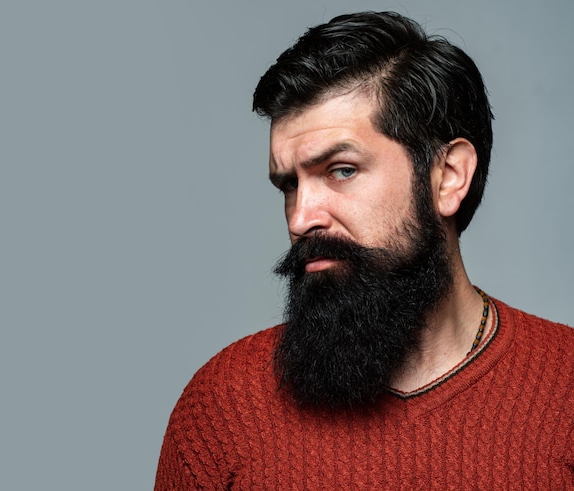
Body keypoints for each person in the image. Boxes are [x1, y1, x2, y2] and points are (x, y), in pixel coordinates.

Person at [155, 11, 574, 489]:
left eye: (342, 170)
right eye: (289, 184)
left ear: (449, 177)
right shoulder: (223, 408)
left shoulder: (565, 390)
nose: (300, 218)